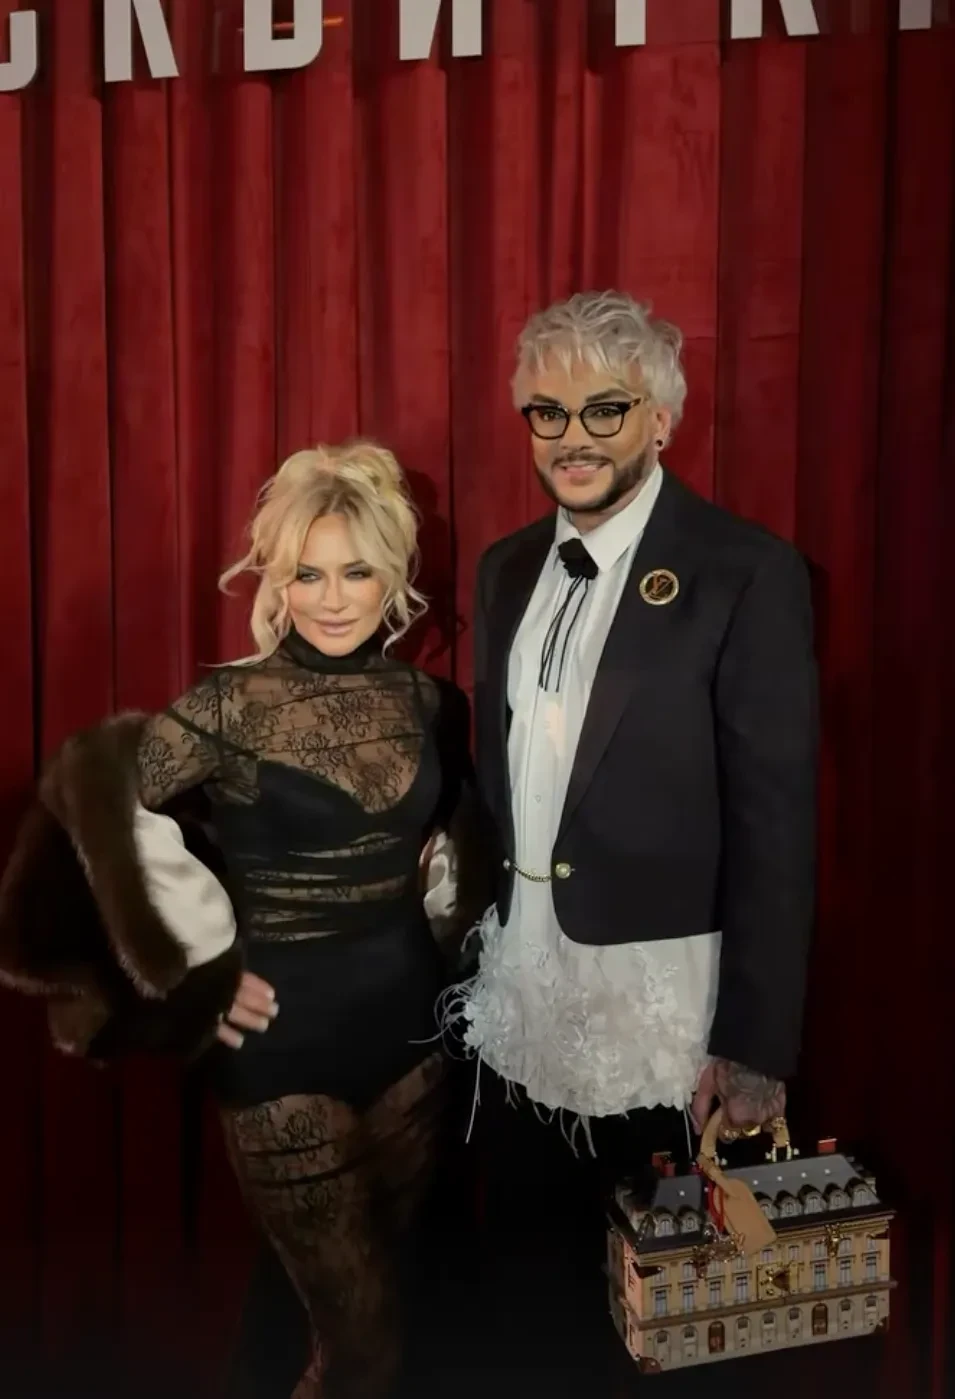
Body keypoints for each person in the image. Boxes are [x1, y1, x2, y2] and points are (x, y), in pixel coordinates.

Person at [0, 443, 480, 1399]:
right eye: (307, 573)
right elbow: (83, 798)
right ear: (277, 580)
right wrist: (188, 985)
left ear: (393, 576)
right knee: (361, 1345)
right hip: (279, 1061)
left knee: (392, 1320)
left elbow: (459, 855)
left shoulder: (431, 702)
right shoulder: (228, 706)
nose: (332, 599)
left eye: (355, 572)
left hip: (415, 1055)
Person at [446, 291, 819, 1384]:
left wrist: (756, 1046)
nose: (573, 438)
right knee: (528, 1300)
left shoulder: (745, 571)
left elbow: (776, 825)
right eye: (547, 413)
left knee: (662, 1332)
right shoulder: (505, 567)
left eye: (604, 409)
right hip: (517, 1000)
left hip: (662, 1024)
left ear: (661, 418)